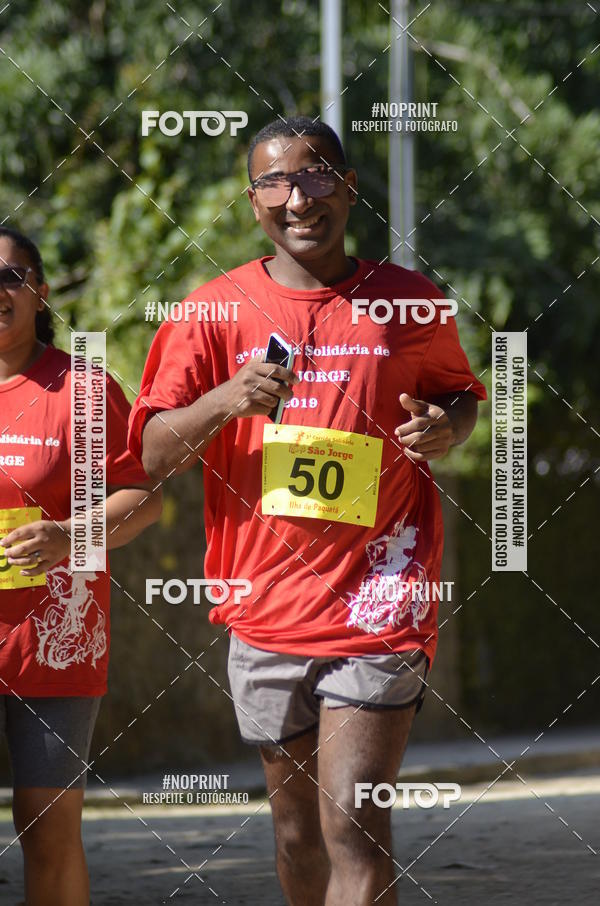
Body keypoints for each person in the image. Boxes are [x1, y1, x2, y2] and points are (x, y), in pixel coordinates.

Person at [129, 115, 486, 906]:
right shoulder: (210, 312)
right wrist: (228, 397)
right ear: (252, 198)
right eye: (276, 181)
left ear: (350, 188)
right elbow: (152, 455)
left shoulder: (410, 301)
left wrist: (445, 427)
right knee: (296, 835)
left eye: (318, 175)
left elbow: (461, 397)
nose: (299, 198)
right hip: (263, 609)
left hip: (380, 599)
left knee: (354, 824)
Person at [0, 225, 162, 906]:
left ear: (39, 290)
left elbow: (144, 500)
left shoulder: (82, 390)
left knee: (47, 830)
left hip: (55, 645)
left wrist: (71, 534)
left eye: (11, 276)